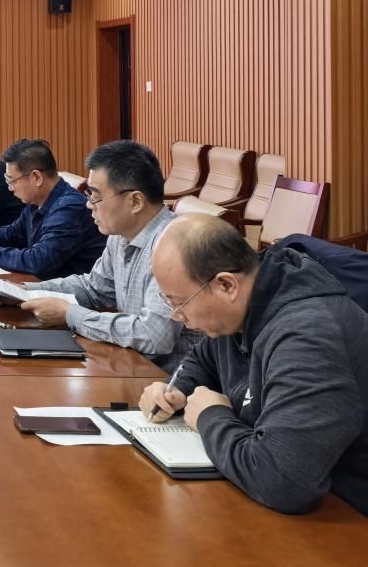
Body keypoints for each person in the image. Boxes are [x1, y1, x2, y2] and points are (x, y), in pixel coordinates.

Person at [140, 214, 368, 516]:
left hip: (345, 516)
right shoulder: (244, 304)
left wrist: (209, 416)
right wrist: (176, 390)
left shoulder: (310, 335)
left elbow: (283, 481)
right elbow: (203, 359)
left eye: (179, 303)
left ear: (226, 285)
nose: (175, 316)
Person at [17, 139, 199, 371]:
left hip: (167, 381)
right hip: (129, 365)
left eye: (95, 196)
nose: (89, 205)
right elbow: (93, 289)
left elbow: (154, 336)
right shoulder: (120, 234)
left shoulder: (173, 245)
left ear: (135, 201)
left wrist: (71, 315)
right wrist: (24, 292)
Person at [0, 138, 105, 279]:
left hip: (69, 295)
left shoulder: (69, 208)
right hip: (42, 285)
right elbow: (14, 232)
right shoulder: (37, 200)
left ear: (36, 177)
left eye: (11, 181)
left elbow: (38, 261)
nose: (10, 188)